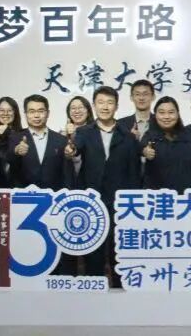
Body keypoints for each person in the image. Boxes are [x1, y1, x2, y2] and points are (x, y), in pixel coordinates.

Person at [64, 86, 141, 280]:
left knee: (119, 253)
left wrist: (132, 204)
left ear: (116, 106)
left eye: (110, 102)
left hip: (120, 204)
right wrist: (71, 150)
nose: (105, 107)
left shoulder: (128, 136)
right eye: (100, 102)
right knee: (93, 254)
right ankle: (94, 293)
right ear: (94, 105)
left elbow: (134, 173)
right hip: (92, 203)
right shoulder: (84, 132)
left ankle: (121, 292)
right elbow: (76, 148)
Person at [7, 95, 71, 190]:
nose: (36, 115)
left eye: (41, 111)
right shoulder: (15, 138)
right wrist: (16, 151)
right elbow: (9, 160)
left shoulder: (61, 140)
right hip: (23, 195)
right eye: (31, 111)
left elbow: (67, 175)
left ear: (48, 113)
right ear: (25, 114)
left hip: (54, 196)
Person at [141, 97, 191, 192]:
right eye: (162, 113)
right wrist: (144, 151)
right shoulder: (150, 136)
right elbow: (141, 147)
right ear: (155, 115)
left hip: (185, 196)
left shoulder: (189, 137)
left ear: (178, 114)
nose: (166, 116)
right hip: (159, 196)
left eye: (171, 112)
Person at [0, 97, 22, 226]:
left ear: (15, 113)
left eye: (9, 110)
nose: (5, 113)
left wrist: (8, 133)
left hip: (19, 192)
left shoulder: (24, 135)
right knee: (0, 233)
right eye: (1, 110)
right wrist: (1, 136)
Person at [64, 95, 95, 189]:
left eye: (81, 107)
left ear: (88, 111)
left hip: (91, 183)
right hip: (67, 185)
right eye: (73, 108)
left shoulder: (97, 132)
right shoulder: (61, 134)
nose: (77, 111)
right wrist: (67, 136)